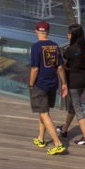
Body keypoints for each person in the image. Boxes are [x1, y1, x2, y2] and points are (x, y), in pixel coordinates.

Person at [29, 20, 68, 155]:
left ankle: (57, 143)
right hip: (53, 83)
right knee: (43, 111)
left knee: (44, 113)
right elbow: (60, 67)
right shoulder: (55, 45)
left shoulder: (36, 47)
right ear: (48, 32)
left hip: (40, 84)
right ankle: (40, 138)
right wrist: (64, 83)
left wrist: (30, 84)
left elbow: (34, 69)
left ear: (36, 31)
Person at [56, 23, 85, 146]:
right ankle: (65, 129)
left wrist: (64, 80)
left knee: (78, 108)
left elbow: (62, 65)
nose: (67, 34)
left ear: (73, 35)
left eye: (69, 32)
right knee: (73, 105)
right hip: (84, 79)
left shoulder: (70, 50)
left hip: (74, 82)